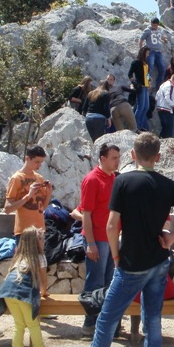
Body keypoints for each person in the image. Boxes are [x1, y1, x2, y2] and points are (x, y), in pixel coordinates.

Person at [87, 133, 174, 347]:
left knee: (107, 320)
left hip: (130, 262)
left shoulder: (122, 182)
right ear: (158, 157)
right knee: (152, 321)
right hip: (159, 261)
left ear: (132, 155)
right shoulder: (168, 185)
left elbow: (112, 226)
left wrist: (115, 255)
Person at [78, 144, 120, 336]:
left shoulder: (113, 178)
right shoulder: (92, 179)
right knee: (95, 282)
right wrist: (91, 243)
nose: (117, 161)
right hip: (98, 240)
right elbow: (86, 214)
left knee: (110, 283)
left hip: (111, 240)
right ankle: (90, 323)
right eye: (114, 158)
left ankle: (105, 323)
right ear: (102, 159)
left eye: (118, 157)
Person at [0, 226, 48, 347]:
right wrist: (43, 293)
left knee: (19, 324)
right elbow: (43, 280)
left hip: (7, 292)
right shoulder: (39, 257)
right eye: (41, 240)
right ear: (36, 243)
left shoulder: (19, 257)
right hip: (23, 293)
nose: (44, 242)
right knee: (33, 324)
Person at [4, 145, 53, 243]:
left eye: (41, 163)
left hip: (39, 230)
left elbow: (42, 208)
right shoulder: (16, 179)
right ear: (27, 158)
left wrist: (49, 193)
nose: (39, 166)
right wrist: (28, 196)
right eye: (36, 162)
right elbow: (8, 209)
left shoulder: (39, 178)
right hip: (24, 232)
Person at [139, 18, 169, 91]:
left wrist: (164, 39)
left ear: (158, 24)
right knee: (150, 68)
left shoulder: (159, 30)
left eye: (155, 25)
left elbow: (160, 36)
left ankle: (158, 87)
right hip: (151, 51)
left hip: (158, 52)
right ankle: (146, 83)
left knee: (162, 69)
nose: (154, 26)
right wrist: (141, 50)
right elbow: (141, 40)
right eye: (153, 25)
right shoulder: (147, 30)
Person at [129, 47, 152, 132]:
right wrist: (134, 82)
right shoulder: (136, 63)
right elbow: (130, 74)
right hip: (140, 86)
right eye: (147, 53)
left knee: (146, 107)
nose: (148, 54)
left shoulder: (146, 63)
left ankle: (141, 125)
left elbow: (147, 74)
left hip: (145, 87)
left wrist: (149, 81)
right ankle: (136, 126)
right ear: (143, 53)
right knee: (140, 107)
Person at [156, 73, 174, 139]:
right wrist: (173, 106)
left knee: (164, 128)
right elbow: (167, 98)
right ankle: (168, 146)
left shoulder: (163, 84)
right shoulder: (171, 86)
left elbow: (157, 96)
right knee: (169, 129)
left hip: (160, 108)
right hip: (167, 109)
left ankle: (160, 142)